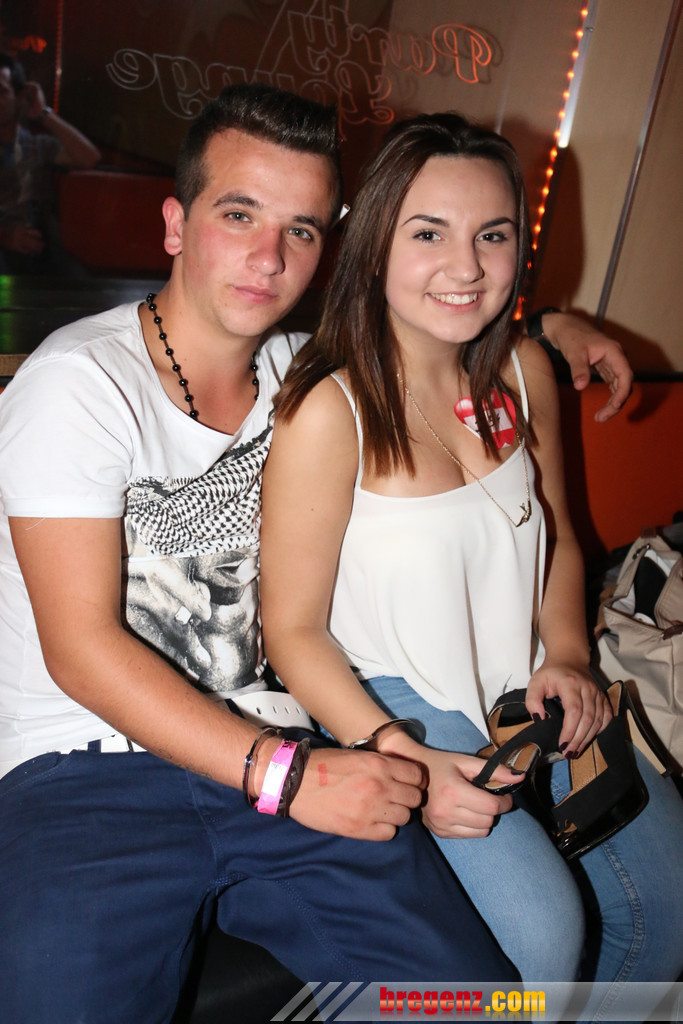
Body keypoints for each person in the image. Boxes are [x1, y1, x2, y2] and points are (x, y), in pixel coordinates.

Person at [0, 83, 635, 1022]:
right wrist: (289, 774)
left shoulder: (302, 369)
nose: (269, 256)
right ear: (175, 224)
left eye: (300, 229)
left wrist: (547, 327)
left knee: (478, 1003)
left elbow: (436, 327)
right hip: (89, 769)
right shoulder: (78, 383)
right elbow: (81, 651)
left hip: (283, 754)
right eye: (239, 215)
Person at [259, 110, 683, 1010]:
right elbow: (291, 631)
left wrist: (567, 653)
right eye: (428, 234)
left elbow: (557, 534)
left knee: (666, 907)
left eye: (492, 235)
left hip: (526, 683)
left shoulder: (524, 370)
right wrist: (397, 754)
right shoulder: (329, 409)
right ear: (374, 244)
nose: (465, 266)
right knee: (540, 937)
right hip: (397, 699)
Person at [0, 53, 100, 275]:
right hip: (4, 248)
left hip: (41, 248)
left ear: (18, 97)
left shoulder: (38, 146)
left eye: (2, 92)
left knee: (80, 284)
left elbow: (89, 158)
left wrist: (44, 113)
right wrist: (6, 237)